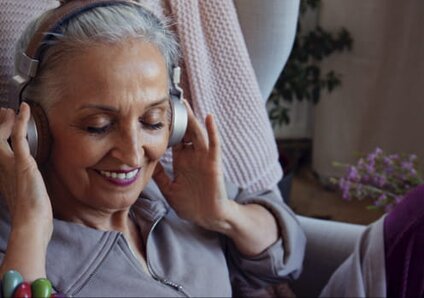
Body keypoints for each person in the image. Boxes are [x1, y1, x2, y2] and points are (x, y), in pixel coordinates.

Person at [0, 1, 305, 297]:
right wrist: (30, 232)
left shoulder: (173, 190)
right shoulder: (16, 245)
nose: (133, 155)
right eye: (99, 126)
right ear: (32, 129)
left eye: (153, 121)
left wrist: (223, 214)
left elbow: (286, 257)